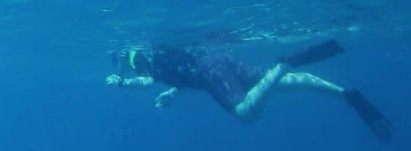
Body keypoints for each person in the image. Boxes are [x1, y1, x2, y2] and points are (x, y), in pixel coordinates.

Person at [106, 39, 392, 143]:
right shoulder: (165, 51)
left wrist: (120, 83)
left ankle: (284, 66)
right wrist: (172, 92)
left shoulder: (147, 63)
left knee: (245, 114)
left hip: (211, 72)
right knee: (281, 84)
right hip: (219, 59)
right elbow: (182, 72)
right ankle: (345, 94)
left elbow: (146, 81)